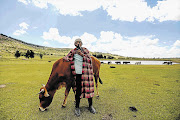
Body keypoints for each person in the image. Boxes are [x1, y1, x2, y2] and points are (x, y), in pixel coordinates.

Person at [63, 38, 96, 117]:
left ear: (81, 43)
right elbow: (67, 57)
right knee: (78, 91)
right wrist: (66, 58)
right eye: (76, 42)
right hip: (77, 74)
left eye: (79, 42)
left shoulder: (85, 50)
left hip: (86, 74)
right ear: (75, 44)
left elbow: (90, 60)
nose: (78, 43)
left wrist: (82, 55)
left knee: (89, 89)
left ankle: (90, 106)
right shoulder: (73, 51)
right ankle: (77, 107)